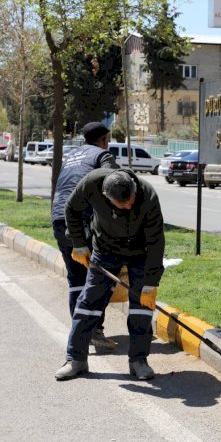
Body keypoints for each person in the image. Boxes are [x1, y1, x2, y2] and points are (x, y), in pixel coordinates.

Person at [55, 168, 165, 381]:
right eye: (122, 204)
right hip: (105, 250)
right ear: (106, 197)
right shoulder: (92, 183)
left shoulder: (148, 195)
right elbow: (71, 209)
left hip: (140, 253)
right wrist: (79, 244)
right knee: (89, 303)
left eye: (131, 200)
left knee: (142, 308)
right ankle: (76, 360)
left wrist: (151, 283)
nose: (129, 205)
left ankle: (138, 361)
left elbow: (156, 241)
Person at [51, 122, 119, 351]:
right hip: (81, 220)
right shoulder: (103, 154)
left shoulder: (71, 155)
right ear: (104, 139)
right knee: (102, 275)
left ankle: (80, 331)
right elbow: (114, 183)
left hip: (59, 219)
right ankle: (94, 331)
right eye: (107, 139)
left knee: (76, 278)